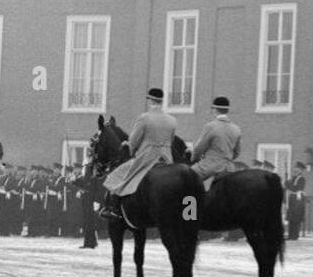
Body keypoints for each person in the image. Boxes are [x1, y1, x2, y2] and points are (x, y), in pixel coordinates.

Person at [100, 88, 177, 219]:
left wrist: (127, 146)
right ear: (162, 101)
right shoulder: (172, 120)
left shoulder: (144, 118)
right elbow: (171, 140)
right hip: (167, 159)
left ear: (151, 100)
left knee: (116, 176)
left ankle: (114, 209)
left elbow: (133, 141)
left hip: (147, 158)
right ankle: (189, 216)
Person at [190, 96, 243, 184]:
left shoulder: (211, 126)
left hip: (210, 166)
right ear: (227, 111)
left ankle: (191, 198)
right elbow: (237, 152)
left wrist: (194, 159)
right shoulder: (236, 129)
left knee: (187, 176)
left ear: (215, 110)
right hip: (229, 168)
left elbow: (199, 148)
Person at [285, 162, 309, 241]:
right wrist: (286, 182)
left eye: (297, 168)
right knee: (291, 217)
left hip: (298, 198)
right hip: (292, 198)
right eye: (295, 168)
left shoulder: (301, 178)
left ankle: (295, 235)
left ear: (300, 170)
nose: (295, 169)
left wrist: (289, 184)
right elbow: (288, 186)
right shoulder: (293, 178)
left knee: (296, 217)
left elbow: (297, 188)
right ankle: (291, 235)